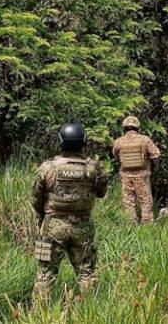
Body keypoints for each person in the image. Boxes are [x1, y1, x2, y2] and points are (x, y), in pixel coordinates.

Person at [31, 120, 108, 301]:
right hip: (83, 228)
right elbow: (102, 193)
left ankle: (39, 316)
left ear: (61, 141)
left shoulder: (47, 168)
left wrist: (45, 216)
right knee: (86, 273)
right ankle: (92, 314)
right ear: (83, 141)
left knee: (45, 273)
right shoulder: (94, 168)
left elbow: (35, 199)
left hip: (51, 227)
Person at [112, 116, 160, 224]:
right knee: (146, 202)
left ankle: (130, 227)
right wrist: (153, 172)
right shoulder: (145, 140)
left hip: (126, 177)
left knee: (128, 203)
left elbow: (116, 157)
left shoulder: (119, 142)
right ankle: (147, 228)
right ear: (138, 128)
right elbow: (155, 156)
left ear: (124, 128)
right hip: (143, 176)